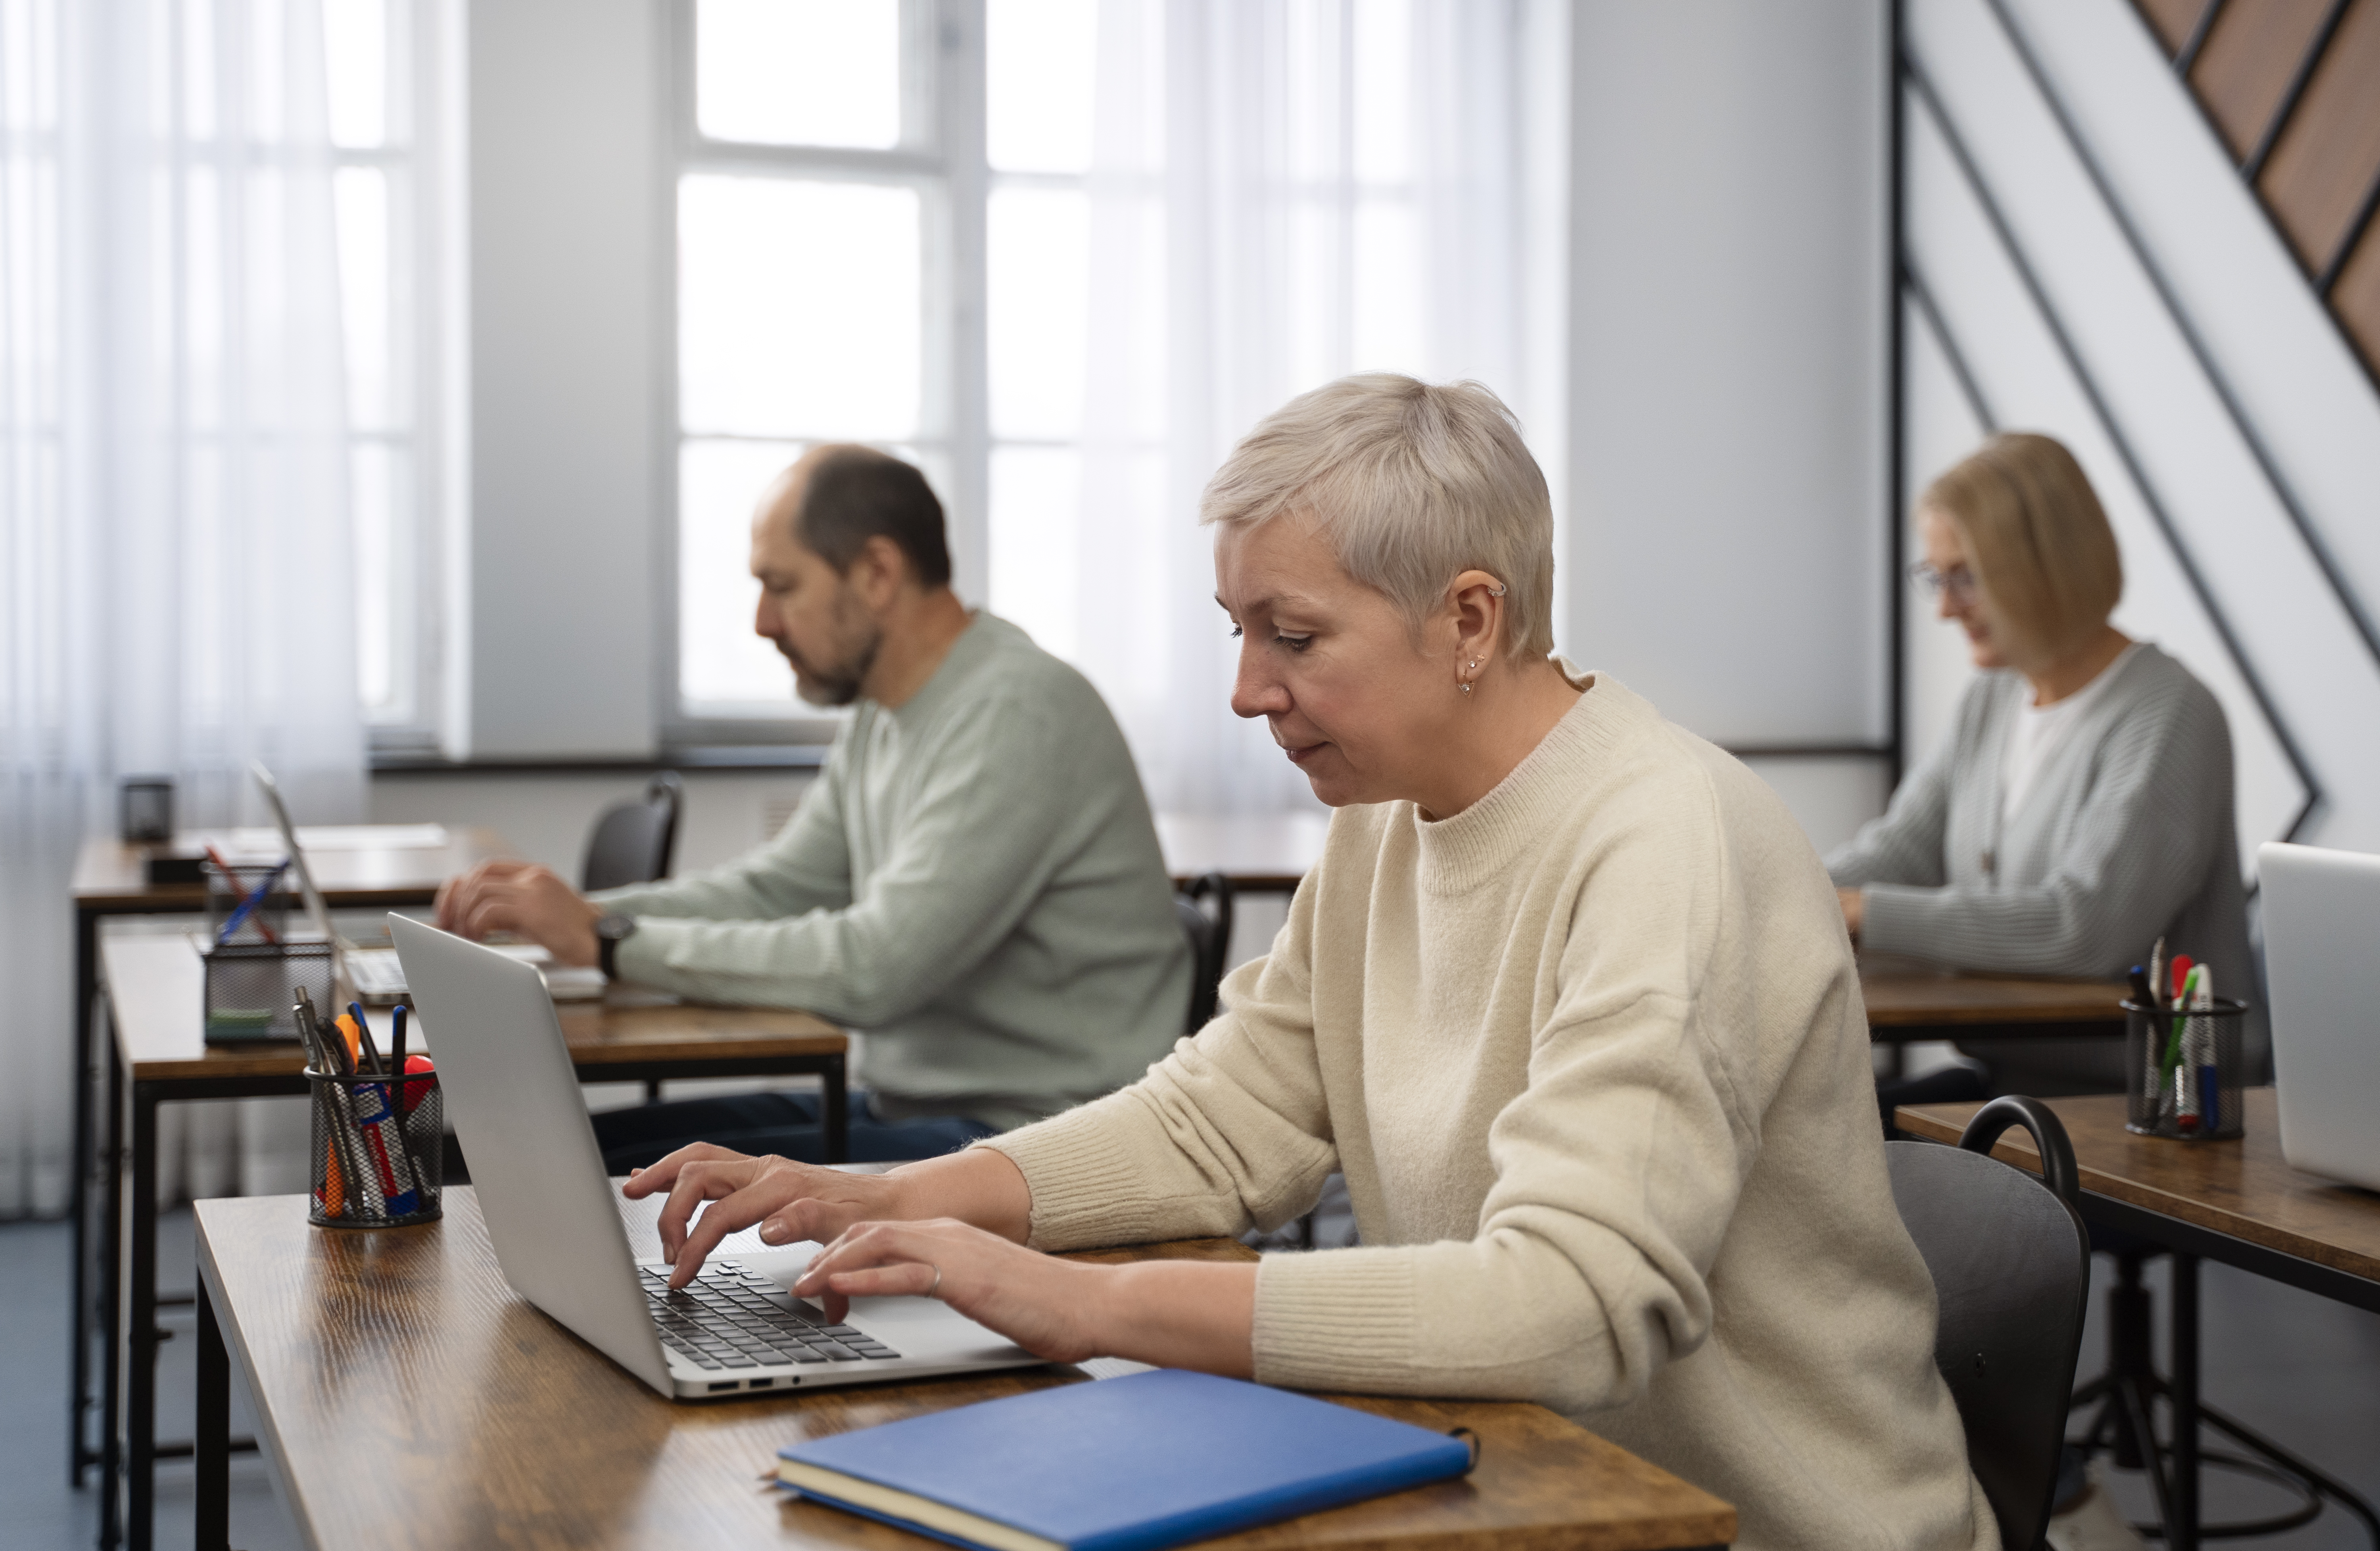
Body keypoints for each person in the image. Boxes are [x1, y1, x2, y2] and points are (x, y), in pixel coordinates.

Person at [626, 377, 1994, 1551]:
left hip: (1743, 1528)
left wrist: (1086, 1301)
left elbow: (1572, 1305)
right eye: (1238, 632)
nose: (1246, 689)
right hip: (1521, 1490)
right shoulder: (1386, 820)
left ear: (1469, 621)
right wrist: (894, 1194)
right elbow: (1220, 1120)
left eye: (1293, 636)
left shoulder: (1663, 840)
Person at [434, 445, 1190, 1169]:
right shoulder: (883, 711)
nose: (763, 621)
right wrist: (573, 919)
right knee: (537, 1152)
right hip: (919, 1112)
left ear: (878, 573)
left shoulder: (1019, 711)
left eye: (782, 586)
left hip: (1037, 1141)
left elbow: (875, 967)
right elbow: (775, 891)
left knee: (585, 1173)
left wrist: (609, 941)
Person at [1828, 432, 2256, 1102]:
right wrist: (1783, 894)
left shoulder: (2170, 714)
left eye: (1965, 577)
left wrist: (1865, 913)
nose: (1944, 607)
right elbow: (1902, 849)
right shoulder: (1993, 697)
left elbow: (2084, 928)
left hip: (2148, 1110)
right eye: (1936, 577)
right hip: (2015, 1086)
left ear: (2046, 566)